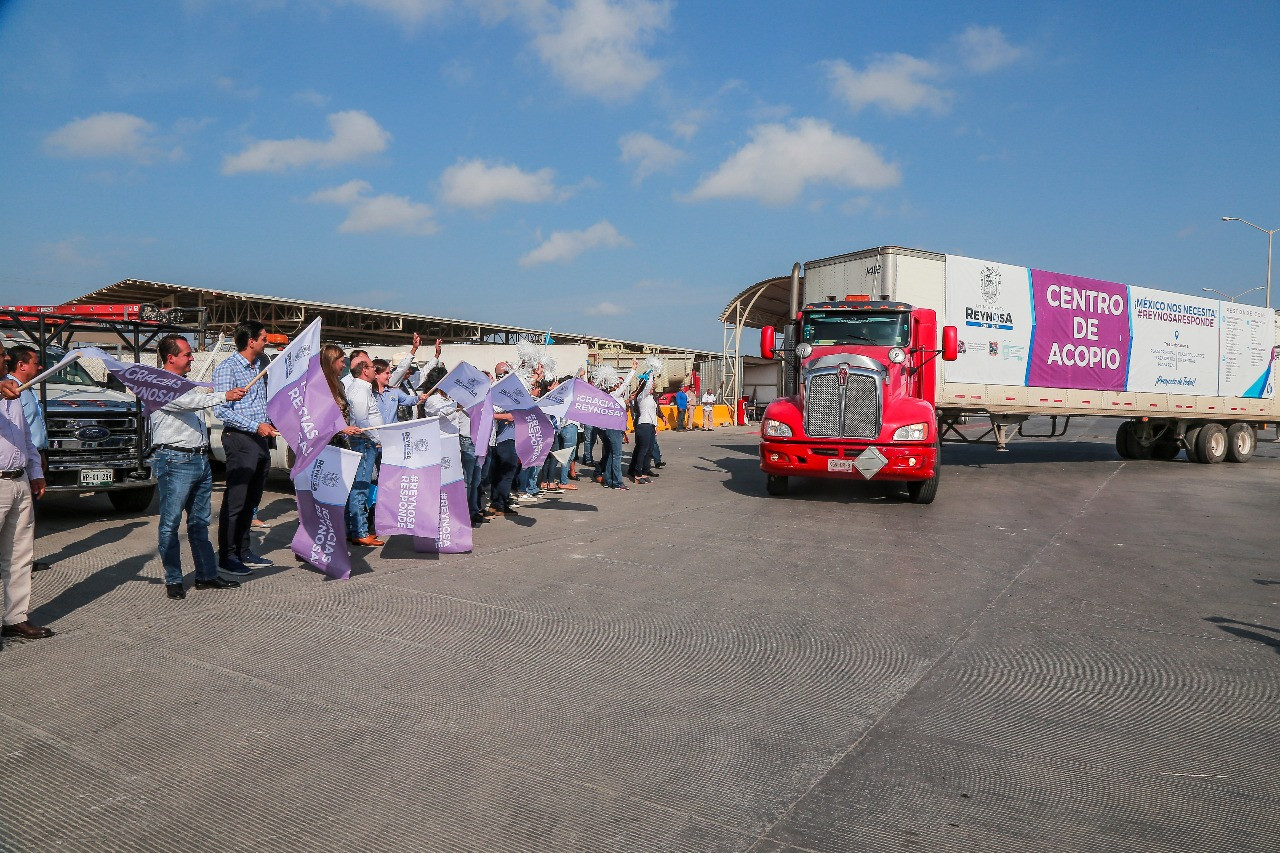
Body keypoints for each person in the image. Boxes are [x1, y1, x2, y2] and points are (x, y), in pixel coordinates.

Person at [150, 335, 248, 600]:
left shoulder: (186, 384)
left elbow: (195, 402)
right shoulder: (158, 384)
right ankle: (173, 578)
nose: (192, 358)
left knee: (199, 522)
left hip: (199, 459)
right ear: (170, 357)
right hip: (175, 460)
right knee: (170, 523)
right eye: (187, 354)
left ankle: (206, 574)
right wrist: (223, 395)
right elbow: (187, 404)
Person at [213, 321, 279, 576]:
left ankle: (243, 550)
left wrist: (268, 423)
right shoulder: (227, 368)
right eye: (263, 338)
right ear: (251, 341)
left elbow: (260, 402)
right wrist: (255, 426)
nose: (266, 342)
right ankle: (227, 555)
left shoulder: (259, 366)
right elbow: (221, 410)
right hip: (240, 439)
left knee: (251, 500)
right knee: (236, 500)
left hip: (259, 440)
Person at [0, 365, 52, 643]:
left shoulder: (16, 392)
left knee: (20, 554)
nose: (6, 359)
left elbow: (26, 438)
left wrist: (35, 472)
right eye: (1, 355)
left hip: (18, 480)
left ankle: (16, 618)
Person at [5, 346, 51, 572]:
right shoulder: (11, 390)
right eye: (35, 362)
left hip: (32, 458)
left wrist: (39, 459)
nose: (40, 367)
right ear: (21, 365)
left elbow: (30, 429)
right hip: (12, 466)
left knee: (27, 519)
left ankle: (23, 562)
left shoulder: (27, 390)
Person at [343, 357, 384, 547]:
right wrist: (378, 439)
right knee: (360, 488)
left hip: (365, 442)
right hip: (364, 442)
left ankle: (354, 530)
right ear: (364, 370)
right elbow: (361, 421)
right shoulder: (360, 390)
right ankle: (360, 531)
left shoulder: (363, 389)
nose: (375, 370)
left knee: (357, 487)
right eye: (372, 367)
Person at [484, 362, 520, 517]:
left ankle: (496, 502)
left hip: (504, 437)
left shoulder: (506, 391)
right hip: (504, 438)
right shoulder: (497, 391)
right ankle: (500, 504)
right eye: (503, 374)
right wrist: (507, 416)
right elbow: (488, 412)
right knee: (507, 471)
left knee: (499, 472)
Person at [371, 358, 428, 424]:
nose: (390, 376)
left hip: (394, 429)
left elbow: (407, 399)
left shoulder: (394, 391)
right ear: (376, 375)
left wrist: (418, 398)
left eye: (390, 373)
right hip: (375, 430)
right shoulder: (368, 393)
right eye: (387, 373)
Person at [628, 374, 659, 484]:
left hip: (651, 425)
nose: (652, 388)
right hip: (643, 424)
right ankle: (637, 473)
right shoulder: (642, 396)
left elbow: (654, 413)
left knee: (649, 450)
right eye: (650, 386)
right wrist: (651, 373)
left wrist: (655, 426)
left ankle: (645, 471)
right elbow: (647, 386)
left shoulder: (651, 397)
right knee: (643, 450)